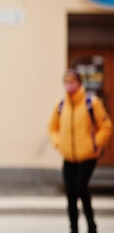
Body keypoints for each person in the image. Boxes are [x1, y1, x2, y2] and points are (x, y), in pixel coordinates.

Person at [48, 68, 112, 233]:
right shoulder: (61, 105)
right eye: (66, 82)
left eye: (72, 81)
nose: (69, 85)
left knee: (80, 187)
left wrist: (95, 144)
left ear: (79, 83)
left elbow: (106, 126)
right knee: (71, 193)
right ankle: (74, 227)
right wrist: (59, 143)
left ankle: (91, 223)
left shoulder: (91, 103)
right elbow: (52, 127)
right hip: (69, 156)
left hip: (87, 155)